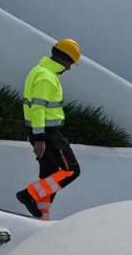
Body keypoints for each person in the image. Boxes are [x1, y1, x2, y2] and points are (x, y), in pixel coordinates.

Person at [15, 38, 82, 220]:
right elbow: (38, 108)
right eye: (70, 63)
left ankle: (42, 216)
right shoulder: (46, 77)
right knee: (72, 170)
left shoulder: (39, 71)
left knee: (49, 176)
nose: (69, 68)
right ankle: (28, 194)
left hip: (43, 133)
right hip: (48, 134)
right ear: (64, 59)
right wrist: (40, 138)